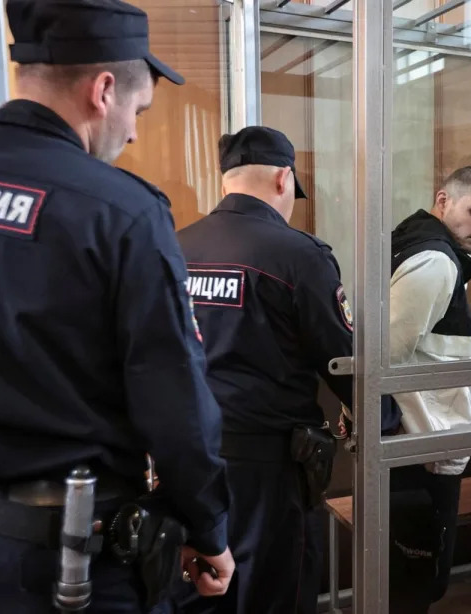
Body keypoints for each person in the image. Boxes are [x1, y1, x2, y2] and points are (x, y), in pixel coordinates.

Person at [0, 0, 235, 612]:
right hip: (65, 565)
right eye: (138, 112)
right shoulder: (122, 211)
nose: (136, 131)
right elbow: (174, 400)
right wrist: (208, 527)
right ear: (104, 90)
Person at [174, 126, 397, 614]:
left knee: (201, 589)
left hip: (187, 459)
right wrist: (385, 419)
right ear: (282, 179)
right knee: (277, 592)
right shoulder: (299, 255)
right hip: (269, 471)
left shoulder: (176, 247)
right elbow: (342, 358)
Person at [388, 166, 471, 612]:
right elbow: (385, 356)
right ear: (442, 201)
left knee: (409, 578)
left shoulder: (416, 246)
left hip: (415, 442)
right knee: (418, 582)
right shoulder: (435, 262)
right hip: (423, 448)